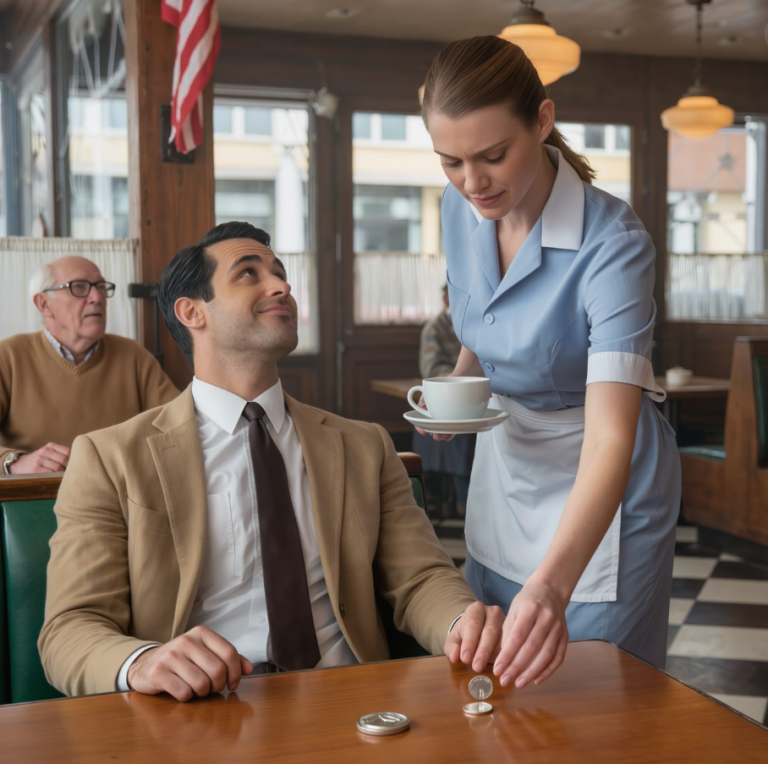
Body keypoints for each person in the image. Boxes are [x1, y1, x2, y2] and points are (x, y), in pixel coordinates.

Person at [39, 222, 504, 701]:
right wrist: (144, 662)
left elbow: (421, 578)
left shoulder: (364, 446)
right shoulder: (110, 458)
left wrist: (459, 621)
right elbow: (70, 630)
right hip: (199, 709)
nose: (281, 286)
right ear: (191, 311)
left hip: (350, 699)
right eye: (248, 274)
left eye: (279, 273)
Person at [419, 36, 680, 689]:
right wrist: (460, 388)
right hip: (509, 464)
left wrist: (554, 586)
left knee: (595, 688)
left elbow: (611, 436)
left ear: (542, 121)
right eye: (450, 161)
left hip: (605, 480)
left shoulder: (612, 245)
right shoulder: (459, 209)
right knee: (492, 675)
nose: (472, 182)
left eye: (493, 156)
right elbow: (484, 315)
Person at [0, 256, 179, 475]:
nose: (97, 298)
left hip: (119, 497)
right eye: (79, 288)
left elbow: (179, 426)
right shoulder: (8, 356)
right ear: (43, 304)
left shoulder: (133, 357)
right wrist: (13, 462)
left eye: (101, 288)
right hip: (34, 498)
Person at [414, 284, 475, 516]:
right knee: (464, 434)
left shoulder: (474, 322)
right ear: (446, 299)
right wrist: (460, 379)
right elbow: (431, 368)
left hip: (473, 396)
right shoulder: (435, 329)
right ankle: (463, 502)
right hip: (450, 397)